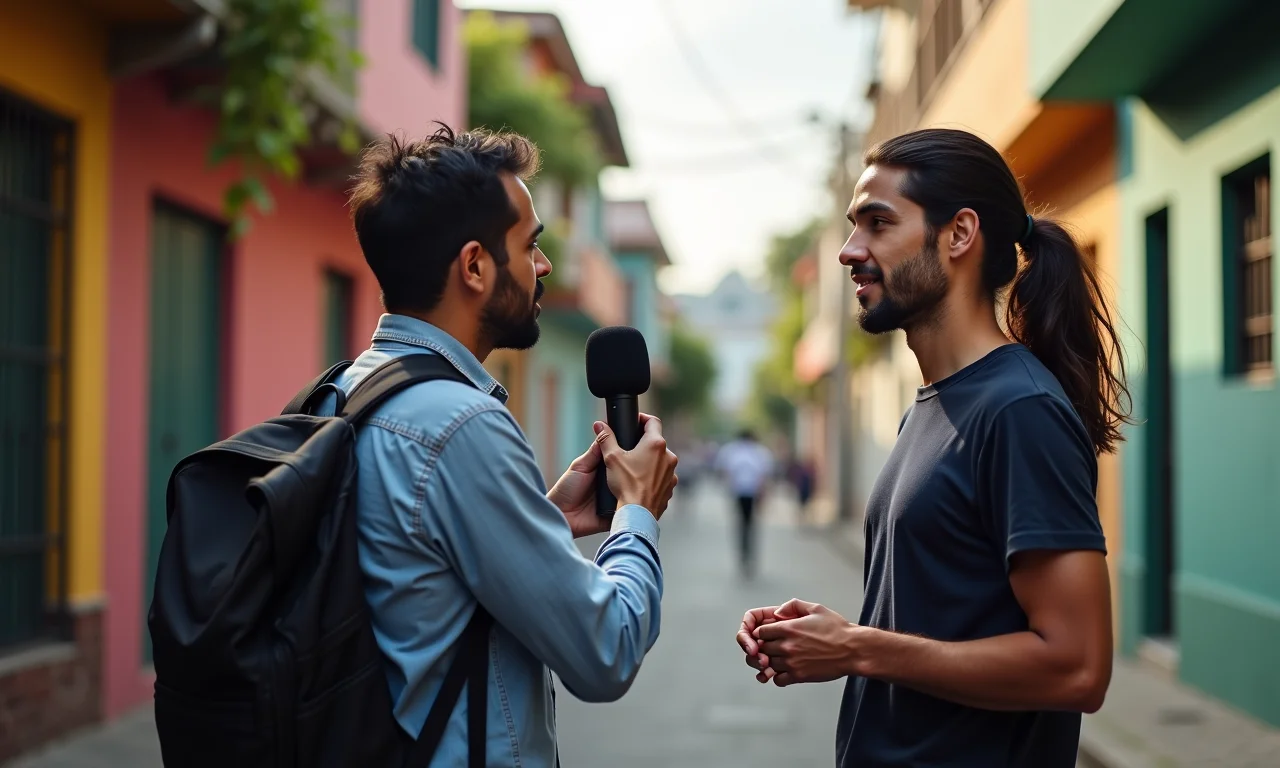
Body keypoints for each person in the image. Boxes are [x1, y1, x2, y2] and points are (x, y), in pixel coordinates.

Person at [736, 128, 1132, 767]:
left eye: (878, 223)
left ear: (959, 234)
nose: (849, 251)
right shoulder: (931, 407)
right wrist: (839, 636)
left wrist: (857, 648)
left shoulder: (1020, 410)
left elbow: (1077, 668)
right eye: (853, 226)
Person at [334, 124, 678, 766]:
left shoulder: (346, 391)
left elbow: (415, 576)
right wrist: (637, 512)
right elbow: (605, 650)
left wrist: (545, 519)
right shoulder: (459, 424)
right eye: (530, 245)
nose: (543, 266)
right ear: (474, 266)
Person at [714, 428, 775, 576]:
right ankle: (748, 555)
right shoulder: (760, 451)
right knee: (750, 525)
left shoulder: (731, 450)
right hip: (752, 492)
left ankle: (744, 554)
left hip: (739, 492)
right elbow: (764, 475)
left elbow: (724, 470)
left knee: (742, 524)